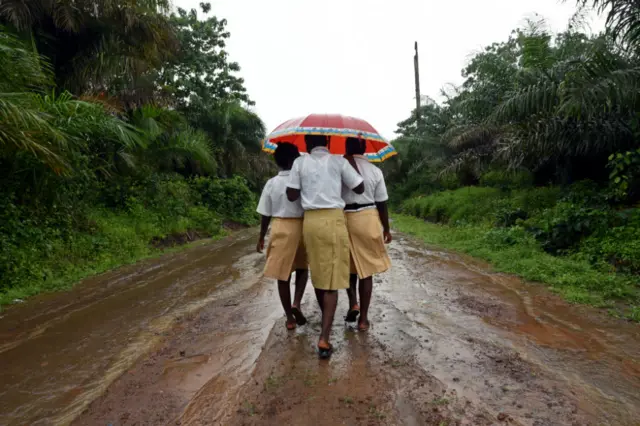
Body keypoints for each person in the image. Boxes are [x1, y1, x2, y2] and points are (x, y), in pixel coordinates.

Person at [286, 134, 364, 358]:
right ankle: (324, 338)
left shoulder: (299, 163)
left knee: (320, 273)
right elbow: (359, 188)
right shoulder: (339, 161)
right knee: (331, 280)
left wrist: (307, 185)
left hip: (311, 221)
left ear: (307, 143)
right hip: (333, 219)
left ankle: (325, 326)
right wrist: (347, 166)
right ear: (328, 141)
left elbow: (291, 195)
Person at [257, 143, 309, 331]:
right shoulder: (302, 181)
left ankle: (289, 317)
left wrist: (262, 236)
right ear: (295, 160)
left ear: (277, 161)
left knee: (282, 275)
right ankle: (297, 302)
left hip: (280, 226)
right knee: (303, 268)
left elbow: (265, 213)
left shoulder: (271, 183)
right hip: (302, 226)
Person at [342, 136, 392, 332]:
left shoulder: (340, 167)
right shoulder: (375, 171)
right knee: (366, 270)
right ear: (364, 148)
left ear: (346, 147)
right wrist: (386, 228)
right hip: (368, 217)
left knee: (348, 266)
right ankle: (363, 319)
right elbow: (382, 202)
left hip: (344, 217)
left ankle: (353, 301)